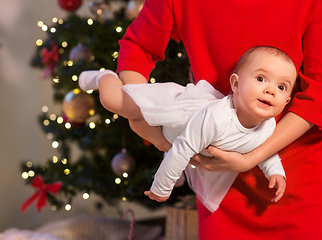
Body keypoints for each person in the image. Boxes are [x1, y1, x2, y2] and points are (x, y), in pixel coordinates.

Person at [104, 0, 322, 238]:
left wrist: (251, 157)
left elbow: (321, 95)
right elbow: (139, 46)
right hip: (220, 177)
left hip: (306, 175)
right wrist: (144, 119)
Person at [79, 46, 296, 212]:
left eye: (281, 87)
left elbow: (264, 147)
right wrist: (162, 186)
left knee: (137, 124)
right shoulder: (217, 118)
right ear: (236, 85)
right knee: (113, 101)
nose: (270, 90)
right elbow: (182, 150)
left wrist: (275, 172)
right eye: (261, 79)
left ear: (286, 101)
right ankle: (103, 76)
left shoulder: (268, 125)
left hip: (170, 135)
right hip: (172, 108)